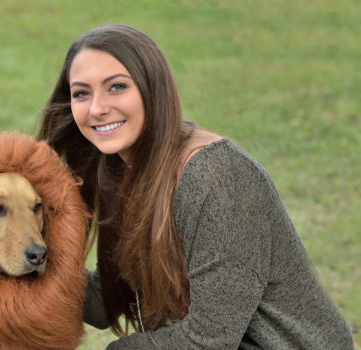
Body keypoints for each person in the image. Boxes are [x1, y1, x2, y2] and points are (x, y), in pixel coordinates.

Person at [37, 24, 353, 349]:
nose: (97, 108)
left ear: (152, 88)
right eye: (81, 93)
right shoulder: (123, 169)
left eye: (117, 87)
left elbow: (210, 341)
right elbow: (109, 299)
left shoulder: (216, 176)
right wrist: (19, 259)